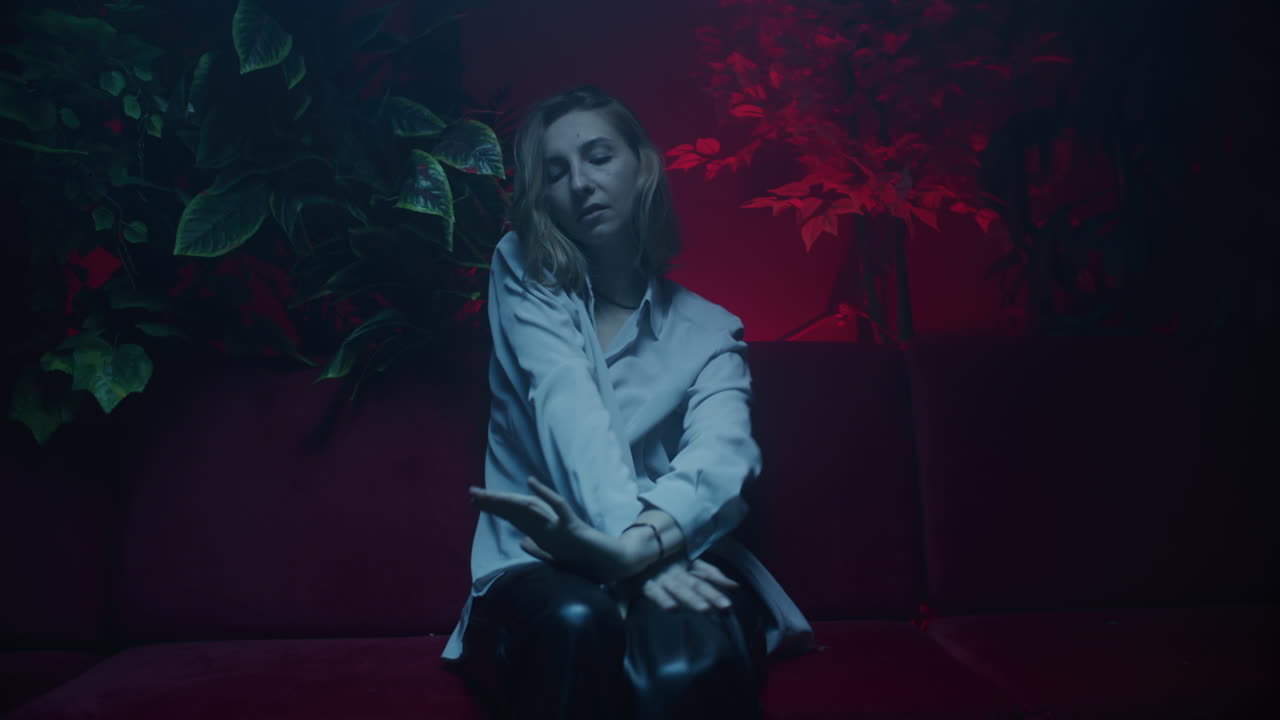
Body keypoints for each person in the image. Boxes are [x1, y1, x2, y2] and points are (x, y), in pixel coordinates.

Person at [440, 85, 813, 720]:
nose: (579, 182)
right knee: (576, 621)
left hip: (678, 557)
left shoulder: (711, 329)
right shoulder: (525, 270)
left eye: (598, 156)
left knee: (682, 663)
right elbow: (568, 408)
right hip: (536, 565)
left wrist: (639, 547)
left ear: (643, 165)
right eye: (556, 171)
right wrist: (629, 558)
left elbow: (723, 457)